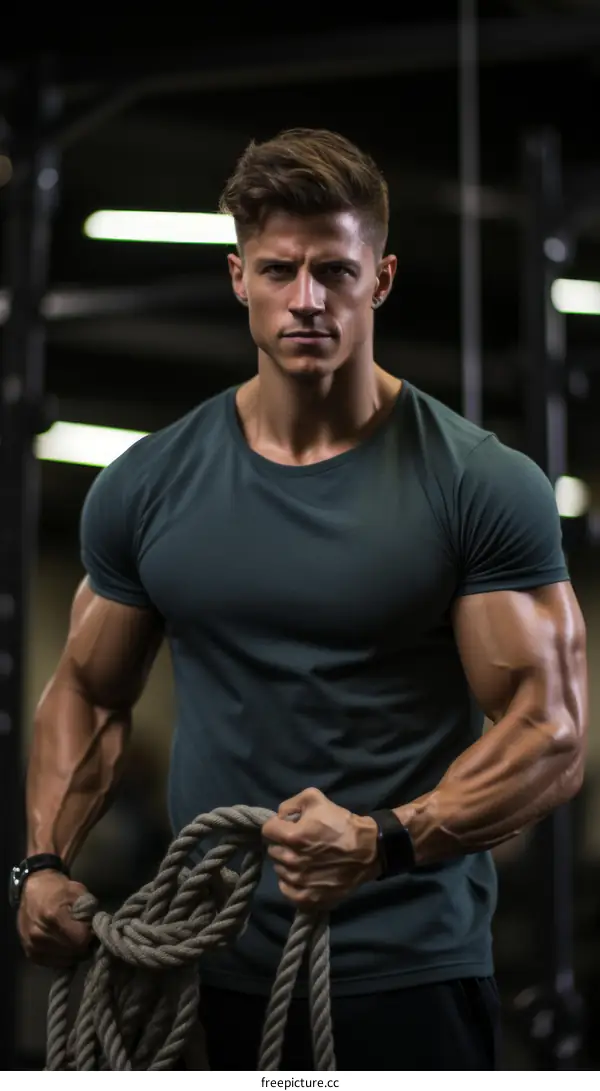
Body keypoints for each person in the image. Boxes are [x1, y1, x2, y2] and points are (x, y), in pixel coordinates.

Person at [14, 128, 588, 1072]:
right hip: (207, 966)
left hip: (412, 967)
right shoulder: (147, 484)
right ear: (239, 277)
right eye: (280, 270)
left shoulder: (479, 481)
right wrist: (42, 862)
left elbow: (551, 728)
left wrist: (381, 840)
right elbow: (87, 690)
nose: (308, 299)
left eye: (336, 270)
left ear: (383, 278)